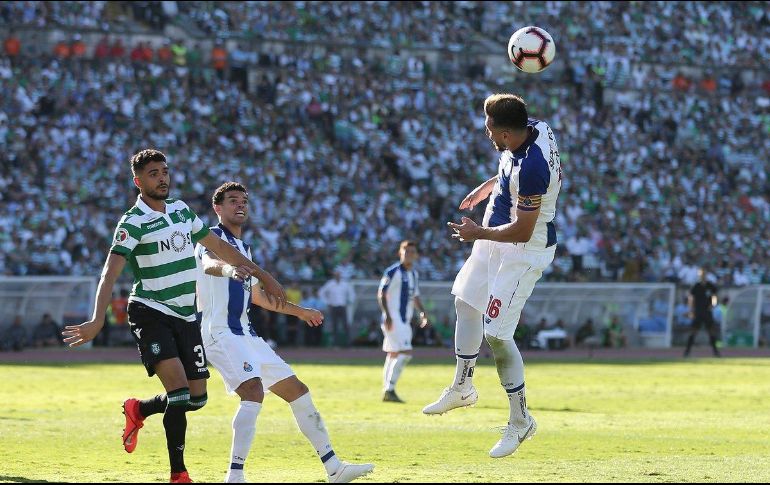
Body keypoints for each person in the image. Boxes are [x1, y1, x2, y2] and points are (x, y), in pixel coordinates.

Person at [61, 149, 287, 484]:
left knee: (197, 398)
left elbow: (222, 248)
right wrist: (98, 319)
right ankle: (178, 474)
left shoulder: (181, 211)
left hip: (185, 315)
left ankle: (138, 409)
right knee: (179, 393)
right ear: (138, 182)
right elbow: (110, 273)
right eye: (153, 173)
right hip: (150, 311)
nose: (162, 177)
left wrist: (263, 275)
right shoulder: (132, 222)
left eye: (164, 171)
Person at [194, 182, 374, 483]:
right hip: (219, 332)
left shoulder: (244, 249)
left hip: (247, 335)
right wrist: (228, 270)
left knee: (298, 392)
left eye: (244, 201)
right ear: (218, 208)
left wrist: (300, 311)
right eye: (233, 200)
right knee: (252, 391)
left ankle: (334, 468)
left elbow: (259, 297)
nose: (240, 205)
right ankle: (234, 476)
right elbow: (209, 264)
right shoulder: (211, 239)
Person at [422, 93, 562, 459]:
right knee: (465, 302)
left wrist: (476, 233)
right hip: (495, 234)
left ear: (505, 133)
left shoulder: (533, 168)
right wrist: (491, 185)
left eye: (490, 129)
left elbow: (523, 231)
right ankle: (463, 387)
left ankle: (521, 420)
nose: (486, 133)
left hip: (521, 249)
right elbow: (510, 166)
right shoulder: (534, 128)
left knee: (497, 334)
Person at [378, 240, 430, 403]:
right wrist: (387, 314)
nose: (408, 254)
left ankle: (387, 389)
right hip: (394, 319)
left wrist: (422, 312)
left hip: (404, 320)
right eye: (406, 251)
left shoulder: (413, 274)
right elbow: (381, 294)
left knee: (393, 354)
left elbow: (415, 296)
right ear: (400, 253)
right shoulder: (392, 271)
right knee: (406, 353)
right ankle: (390, 389)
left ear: (416, 255)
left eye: (412, 252)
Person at [684, 268, 720, 357]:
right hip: (698, 311)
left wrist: (713, 305)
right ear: (699, 275)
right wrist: (691, 310)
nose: (703, 275)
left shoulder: (710, 285)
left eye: (704, 274)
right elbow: (691, 298)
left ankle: (716, 352)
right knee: (693, 331)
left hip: (707, 312)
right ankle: (687, 352)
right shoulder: (696, 286)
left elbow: (714, 296)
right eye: (701, 274)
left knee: (711, 331)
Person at [318, 271, 355, 347]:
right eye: (336, 275)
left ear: (340, 275)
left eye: (339, 275)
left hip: (343, 306)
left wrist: (349, 301)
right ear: (334, 275)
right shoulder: (330, 284)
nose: (337, 276)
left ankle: (348, 344)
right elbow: (321, 292)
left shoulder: (345, 284)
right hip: (333, 307)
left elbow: (351, 293)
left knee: (346, 325)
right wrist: (327, 302)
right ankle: (335, 344)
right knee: (334, 326)